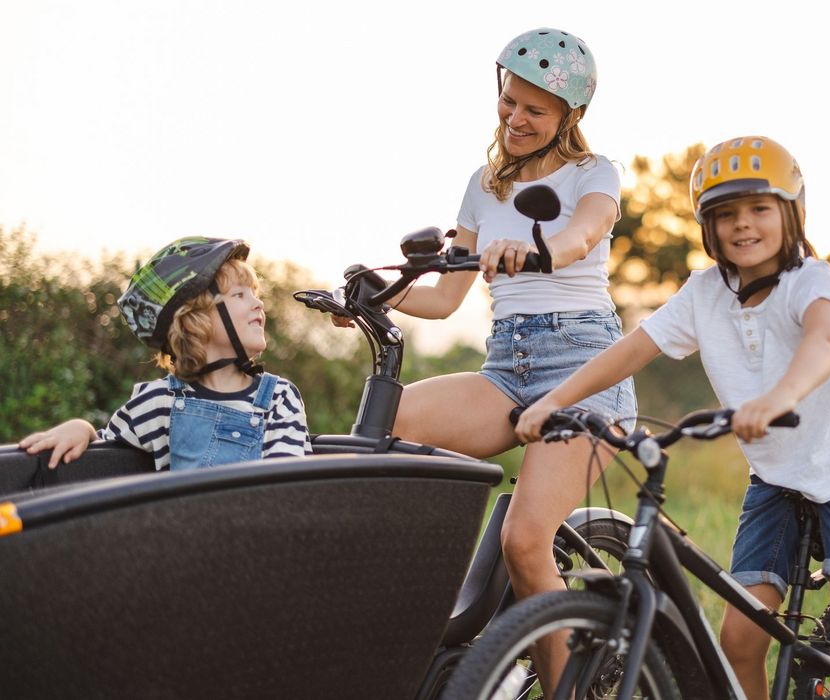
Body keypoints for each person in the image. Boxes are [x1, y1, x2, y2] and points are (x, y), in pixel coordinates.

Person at [515, 136, 830, 699]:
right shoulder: (706, 293)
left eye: (759, 209)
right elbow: (631, 350)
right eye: (724, 214)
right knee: (740, 641)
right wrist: (555, 399)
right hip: (776, 483)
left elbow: (823, 345)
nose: (742, 225)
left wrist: (777, 400)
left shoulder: (810, 281)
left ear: (791, 213)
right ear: (707, 226)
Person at [366, 27, 635, 693]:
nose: (515, 118)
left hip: (582, 369)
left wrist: (539, 250)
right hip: (506, 366)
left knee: (524, 542)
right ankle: (435, 608)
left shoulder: (593, 174)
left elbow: (585, 232)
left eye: (534, 110)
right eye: (509, 102)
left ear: (568, 117)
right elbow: (445, 297)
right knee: (386, 427)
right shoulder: (482, 185)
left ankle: (562, 688)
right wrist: (377, 299)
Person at [19, 237, 311, 471]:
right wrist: (81, 429)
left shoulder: (278, 398)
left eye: (255, 294)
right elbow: (107, 453)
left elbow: (286, 492)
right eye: (239, 295)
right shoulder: (160, 403)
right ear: (196, 319)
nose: (258, 303)